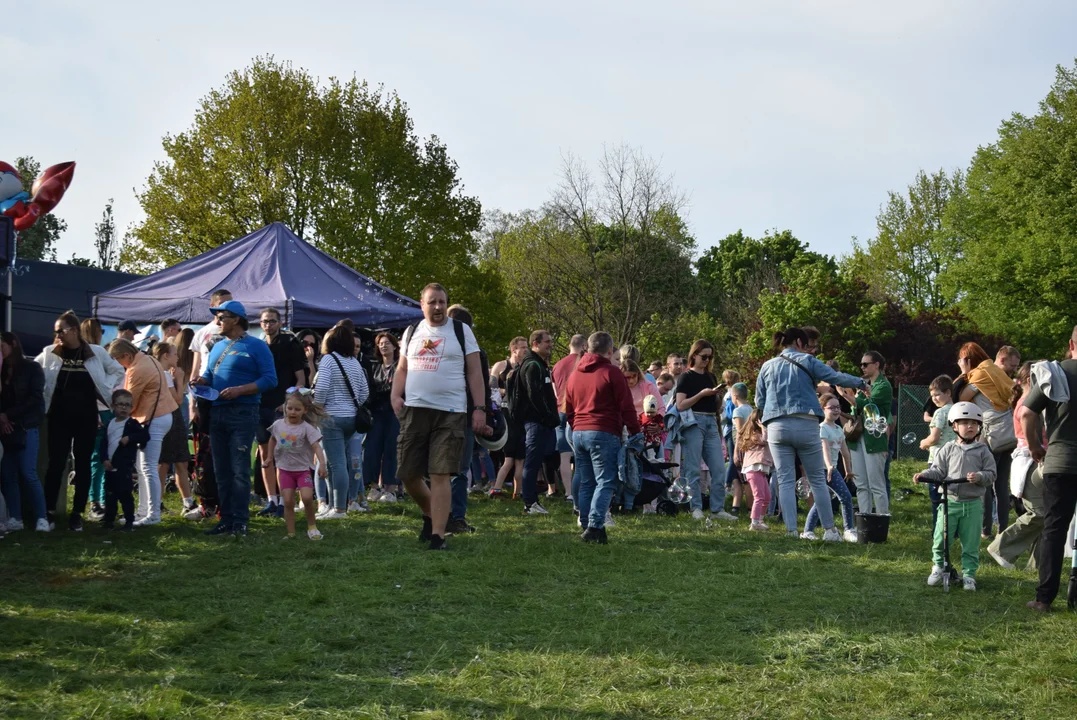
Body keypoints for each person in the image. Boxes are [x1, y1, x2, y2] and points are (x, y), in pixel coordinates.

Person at [391, 283, 487, 550]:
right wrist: (395, 395)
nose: (437, 307)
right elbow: (401, 369)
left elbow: (475, 372)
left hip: (451, 412)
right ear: (422, 305)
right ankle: (432, 512)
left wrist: (479, 408)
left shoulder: (460, 330)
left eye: (442, 302)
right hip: (414, 410)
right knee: (408, 473)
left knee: (440, 471)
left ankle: (438, 536)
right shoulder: (411, 332)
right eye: (432, 302)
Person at [755, 327, 867, 540]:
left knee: (786, 480)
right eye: (806, 344)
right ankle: (829, 530)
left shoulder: (767, 366)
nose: (808, 348)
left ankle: (791, 531)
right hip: (806, 423)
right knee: (817, 479)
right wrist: (861, 382)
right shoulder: (808, 361)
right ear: (799, 341)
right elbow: (835, 377)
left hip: (777, 426)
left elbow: (759, 402)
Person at [194, 299, 277, 538]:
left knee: (239, 469)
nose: (217, 321)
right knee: (221, 469)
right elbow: (210, 373)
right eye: (217, 317)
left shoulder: (256, 346)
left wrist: (241, 389)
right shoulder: (217, 346)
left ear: (237, 319)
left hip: (243, 411)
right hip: (217, 410)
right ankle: (226, 519)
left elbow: (270, 379)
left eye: (222, 317)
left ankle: (240, 521)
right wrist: (202, 382)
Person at [36, 311, 126, 531]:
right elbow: (35, 372)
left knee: (83, 463)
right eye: (55, 331)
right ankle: (48, 512)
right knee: (56, 463)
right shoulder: (50, 352)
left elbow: (118, 370)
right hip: (58, 417)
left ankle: (77, 513)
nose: (57, 335)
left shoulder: (94, 352)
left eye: (61, 331)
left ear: (74, 330)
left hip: (86, 417)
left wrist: (106, 387)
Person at [564, 331, 640, 543]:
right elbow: (626, 406)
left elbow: (567, 407)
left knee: (587, 481)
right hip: (603, 430)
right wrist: (635, 431)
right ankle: (595, 526)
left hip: (579, 431)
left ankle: (588, 522)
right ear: (609, 350)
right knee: (606, 480)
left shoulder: (575, 374)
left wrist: (576, 425)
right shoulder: (611, 372)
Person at [914, 402, 997, 591]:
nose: (969, 427)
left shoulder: (983, 451)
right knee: (940, 538)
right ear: (954, 426)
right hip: (949, 501)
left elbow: (992, 474)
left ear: (979, 427)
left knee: (971, 542)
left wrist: (980, 477)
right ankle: (938, 566)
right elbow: (938, 470)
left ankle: (969, 574)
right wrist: (924, 475)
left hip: (973, 504)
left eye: (974, 423)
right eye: (964, 422)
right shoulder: (948, 448)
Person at [1022, 332, 1077, 612]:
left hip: (1061, 461)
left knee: (1054, 529)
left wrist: (1035, 447)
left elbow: (1026, 414)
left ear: (1071, 345)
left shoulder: (1055, 372)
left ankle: (1044, 599)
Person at [109, 338, 177, 526]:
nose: (119, 365)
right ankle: (142, 512)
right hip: (160, 416)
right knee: (143, 468)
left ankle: (153, 515)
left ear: (127, 356)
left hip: (152, 420)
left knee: (148, 468)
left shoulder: (137, 370)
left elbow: (128, 403)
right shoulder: (149, 359)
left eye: (118, 360)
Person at [988, 362, 1046, 571]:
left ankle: (1037, 566)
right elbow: (1027, 422)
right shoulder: (1027, 403)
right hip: (1030, 460)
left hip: (1036, 459)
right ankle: (1001, 548)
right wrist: (1036, 447)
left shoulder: (1030, 400)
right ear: (1032, 380)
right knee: (1040, 512)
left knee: (1047, 516)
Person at [954, 341, 1015, 538]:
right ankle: (1003, 529)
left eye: (962, 360)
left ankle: (986, 529)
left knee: (986, 481)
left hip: (991, 435)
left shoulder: (979, 374)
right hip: (1008, 431)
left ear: (968, 360)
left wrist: (964, 372)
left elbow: (961, 397)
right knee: (1002, 484)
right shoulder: (996, 371)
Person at [312, 323, 369, 521]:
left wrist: (317, 408)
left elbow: (321, 389)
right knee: (335, 462)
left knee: (335, 464)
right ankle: (335, 506)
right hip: (351, 420)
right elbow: (364, 392)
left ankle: (338, 509)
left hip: (331, 418)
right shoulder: (355, 362)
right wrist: (352, 407)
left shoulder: (328, 360)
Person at [255, 307, 307, 519]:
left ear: (280, 323)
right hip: (260, 405)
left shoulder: (289, 344)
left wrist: (287, 403)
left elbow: (301, 380)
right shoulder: (258, 346)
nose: (269, 325)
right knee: (265, 454)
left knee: (284, 454)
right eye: (265, 321)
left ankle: (287, 502)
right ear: (260, 324)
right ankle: (271, 501)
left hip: (282, 407)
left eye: (273, 321)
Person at [674, 340, 735, 521]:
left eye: (710, 357)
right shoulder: (686, 377)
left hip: (711, 421)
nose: (707, 360)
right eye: (704, 356)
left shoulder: (711, 376)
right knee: (693, 468)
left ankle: (717, 509)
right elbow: (680, 404)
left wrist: (718, 398)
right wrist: (701, 394)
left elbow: (714, 406)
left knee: (718, 468)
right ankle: (696, 508)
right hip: (693, 421)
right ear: (694, 356)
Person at [446, 304, 490, 533]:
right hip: (463, 414)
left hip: (447, 412)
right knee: (459, 469)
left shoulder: (442, 347)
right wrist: (482, 412)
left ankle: (444, 516)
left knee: (446, 469)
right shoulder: (476, 352)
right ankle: (454, 517)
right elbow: (482, 382)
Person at [505, 329, 559, 515]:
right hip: (535, 422)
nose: (550, 345)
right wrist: (548, 416)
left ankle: (532, 500)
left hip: (539, 421)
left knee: (537, 461)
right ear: (536, 344)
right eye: (547, 342)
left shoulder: (538, 364)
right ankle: (530, 503)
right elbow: (534, 395)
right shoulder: (532, 366)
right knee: (532, 462)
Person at [0, 331, 49, 532]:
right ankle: (16, 517)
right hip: (7, 428)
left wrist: (7, 415)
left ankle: (41, 517)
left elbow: (36, 398)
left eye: (2, 346)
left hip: (26, 426)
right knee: (8, 474)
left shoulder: (31, 367)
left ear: (13, 344)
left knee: (28, 472)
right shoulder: (3, 371)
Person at [267, 388, 328, 540]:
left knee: (307, 498)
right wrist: (269, 457)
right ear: (284, 407)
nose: (293, 412)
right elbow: (272, 439)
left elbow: (316, 447)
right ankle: (291, 533)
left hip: (302, 470)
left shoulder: (307, 428)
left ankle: (312, 527)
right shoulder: (278, 425)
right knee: (288, 501)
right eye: (289, 408)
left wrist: (322, 464)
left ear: (305, 411)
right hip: (284, 470)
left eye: (297, 409)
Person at [842, 350, 893, 516]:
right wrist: (853, 399)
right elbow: (857, 410)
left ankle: (881, 519)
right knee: (861, 484)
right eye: (861, 364)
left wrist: (848, 396)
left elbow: (870, 406)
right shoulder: (864, 386)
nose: (862, 367)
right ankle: (865, 519)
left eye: (865, 364)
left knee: (876, 484)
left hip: (875, 440)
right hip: (858, 438)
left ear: (876, 364)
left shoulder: (883, 386)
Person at [802, 394, 857, 541]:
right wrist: (829, 466)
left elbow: (845, 452)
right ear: (822, 409)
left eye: (838, 407)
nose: (836, 410)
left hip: (831, 469)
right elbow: (824, 449)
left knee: (834, 498)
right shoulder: (821, 428)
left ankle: (846, 530)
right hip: (820, 470)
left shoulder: (839, 429)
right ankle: (810, 532)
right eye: (831, 407)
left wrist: (849, 471)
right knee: (834, 498)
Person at [152, 341, 195, 515]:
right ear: (165, 356)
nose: (177, 357)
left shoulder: (157, 372)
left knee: (174, 461)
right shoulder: (164, 374)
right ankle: (163, 502)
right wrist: (179, 379)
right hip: (170, 417)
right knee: (168, 463)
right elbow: (177, 399)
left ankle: (163, 502)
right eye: (175, 354)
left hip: (166, 417)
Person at [100, 389, 149, 531]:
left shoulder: (132, 424)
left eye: (127, 405)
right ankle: (109, 520)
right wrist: (104, 459)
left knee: (125, 495)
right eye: (120, 404)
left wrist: (130, 438)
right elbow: (104, 444)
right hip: (109, 466)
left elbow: (145, 436)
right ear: (113, 406)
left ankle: (129, 521)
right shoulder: (110, 424)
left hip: (124, 466)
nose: (123, 408)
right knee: (110, 495)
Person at [364, 332, 402, 502]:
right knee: (373, 449)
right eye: (380, 343)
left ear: (395, 346)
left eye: (387, 343)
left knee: (391, 449)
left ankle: (390, 488)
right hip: (377, 412)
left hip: (395, 413)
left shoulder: (401, 367)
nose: (384, 346)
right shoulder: (374, 367)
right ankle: (373, 487)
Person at [490, 337, 528, 498]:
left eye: (527, 347)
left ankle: (515, 492)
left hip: (520, 415)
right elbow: (491, 389)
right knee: (510, 457)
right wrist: (507, 393)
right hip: (503, 415)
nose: (526, 350)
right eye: (523, 348)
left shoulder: (526, 366)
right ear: (513, 349)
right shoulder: (501, 366)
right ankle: (498, 488)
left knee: (517, 458)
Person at [552, 333, 586, 502]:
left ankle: (568, 492)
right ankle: (579, 490)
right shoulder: (584, 362)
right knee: (580, 454)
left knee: (564, 455)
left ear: (569, 345)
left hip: (560, 409)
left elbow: (555, 389)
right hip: (577, 410)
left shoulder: (557, 365)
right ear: (584, 345)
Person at [920, 375, 956, 527]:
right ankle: (952, 529)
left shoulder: (940, 413)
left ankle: (938, 530)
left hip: (937, 460)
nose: (933, 398)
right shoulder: (958, 410)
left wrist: (924, 443)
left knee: (937, 498)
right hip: (954, 459)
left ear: (948, 393)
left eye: (937, 394)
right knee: (951, 497)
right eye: (932, 395)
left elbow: (934, 437)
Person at [734, 408, 773, 532]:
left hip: (760, 469)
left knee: (767, 497)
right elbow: (765, 441)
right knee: (759, 496)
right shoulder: (755, 434)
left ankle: (760, 520)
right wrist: (764, 428)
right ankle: (754, 522)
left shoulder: (761, 432)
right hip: (753, 468)